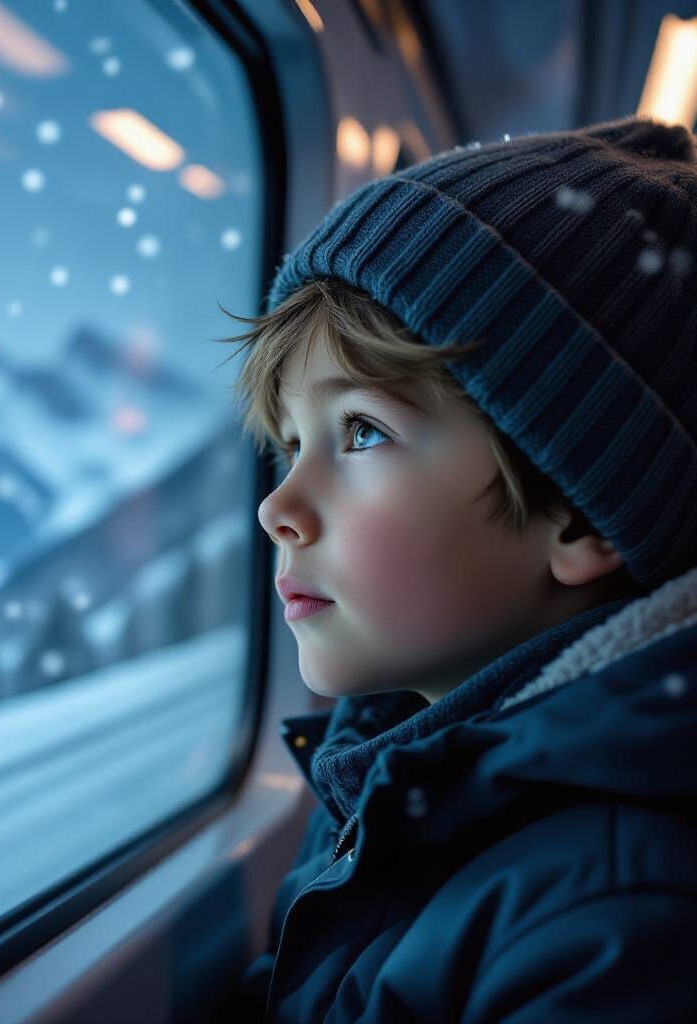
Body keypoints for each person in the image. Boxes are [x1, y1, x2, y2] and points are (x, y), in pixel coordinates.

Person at [216, 114, 697, 1022]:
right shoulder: (387, 759)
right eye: (289, 445)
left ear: (576, 512)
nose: (277, 508)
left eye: (361, 432)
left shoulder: (619, 918)